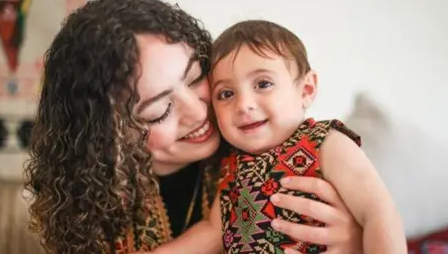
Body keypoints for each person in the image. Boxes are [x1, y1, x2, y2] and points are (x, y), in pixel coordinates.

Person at [23, 0, 364, 254]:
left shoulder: (268, 142)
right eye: (159, 109)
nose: (200, 112)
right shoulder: (85, 209)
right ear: (108, 132)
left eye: (196, 77)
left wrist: (355, 239)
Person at [148, 20, 407, 254]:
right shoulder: (233, 165)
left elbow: (378, 212)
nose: (243, 104)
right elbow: (212, 232)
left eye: (263, 84)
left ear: (306, 89)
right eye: (227, 94)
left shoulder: (325, 142)